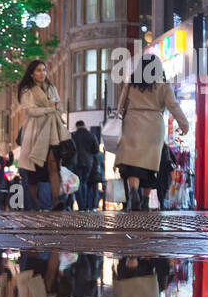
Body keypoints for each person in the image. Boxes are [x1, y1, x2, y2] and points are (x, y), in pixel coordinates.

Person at [115, 59, 190, 211]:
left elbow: (120, 106)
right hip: (154, 126)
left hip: (132, 124)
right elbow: (173, 106)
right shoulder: (163, 85)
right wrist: (184, 124)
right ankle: (145, 199)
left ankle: (134, 191)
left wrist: (118, 120)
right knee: (149, 164)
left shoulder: (131, 84)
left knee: (132, 163)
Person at [15, 60, 68, 210]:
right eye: (38, 70)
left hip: (51, 131)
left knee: (53, 164)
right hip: (35, 132)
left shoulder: (51, 87)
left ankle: (55, 200)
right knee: (33, 169)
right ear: (31, 73)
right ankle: (35, 204)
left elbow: (58, 106)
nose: (42, 73)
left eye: (44, 70)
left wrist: (55, 107)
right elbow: (30, 110)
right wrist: (50, 109)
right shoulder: (27, 90)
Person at [70, 120, 99, 211]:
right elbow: (96, 150)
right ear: (84, 125)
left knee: (78, 183)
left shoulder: (73, 135)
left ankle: (81, 206)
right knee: (84, 183)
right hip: (88, 163)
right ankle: (86, 206)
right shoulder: (91, 135)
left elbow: (70, 149)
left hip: (76, 162)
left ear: (76, 126)